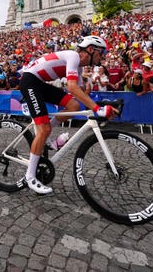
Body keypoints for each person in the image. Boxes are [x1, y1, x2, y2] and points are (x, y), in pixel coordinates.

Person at [19, 36, 118, 195]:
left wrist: (97, 101)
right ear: (90, 50)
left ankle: (46, 136)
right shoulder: (73, 56)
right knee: (43, 129)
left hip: (40, 83)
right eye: (101, 52)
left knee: (73, 105)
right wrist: (98, 109)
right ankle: (29, 177)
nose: (103, 56)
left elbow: (77, 94)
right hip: (29, 81)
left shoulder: (78, 68)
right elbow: (72, 87)